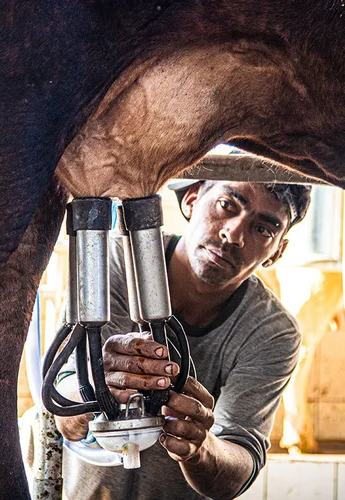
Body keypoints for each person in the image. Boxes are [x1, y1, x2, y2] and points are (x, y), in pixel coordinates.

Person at [55, 180, 311, 500]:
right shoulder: (111, 265)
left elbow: (238, 464)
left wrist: (201, 449)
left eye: (263, 229)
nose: (233, 235)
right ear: (191, 199)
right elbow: (62, 408)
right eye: (227, 205)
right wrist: (94, 386)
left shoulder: (271, 331)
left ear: (278, 252)